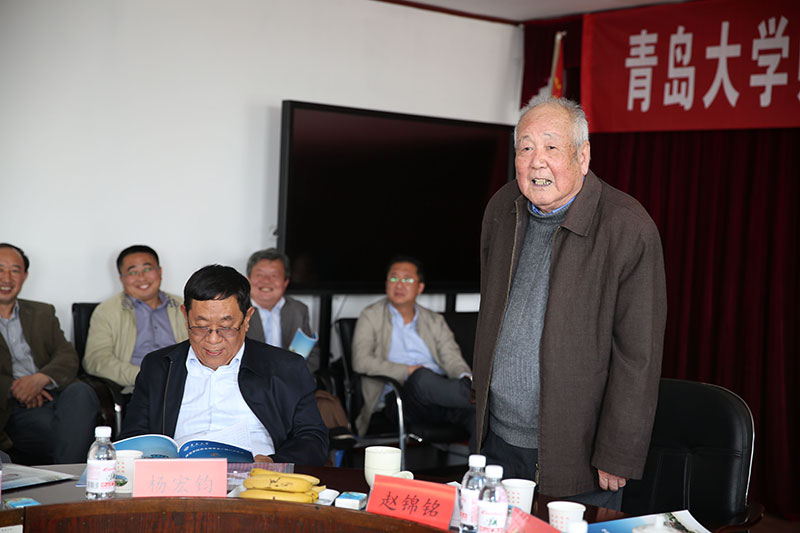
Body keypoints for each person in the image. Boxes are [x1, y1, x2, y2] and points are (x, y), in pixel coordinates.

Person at [473, 95, 667, 510]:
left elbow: (639, 354)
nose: (536, 162)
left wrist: (618, 450)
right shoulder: (502, 209)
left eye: (551, 146)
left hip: (578, 455)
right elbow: (491, 312)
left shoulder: (627, 227)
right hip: (498, 442)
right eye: (525, 148)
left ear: (583, 156)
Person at [119, 264, 328, 465]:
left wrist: (272, 461)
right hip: (180, 479)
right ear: (185, 315)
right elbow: (133, 437)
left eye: (226, 327)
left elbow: (313, 439)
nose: (213, 339)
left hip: (257, 479)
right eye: (201, 327)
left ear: (247, 318)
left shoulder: (285, 367)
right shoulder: (159, 367)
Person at [352, 256, 474, 444]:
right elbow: (361, 361)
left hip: (441, 395)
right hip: (401, 400)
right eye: (394, 278)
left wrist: (466, 377)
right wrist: (408, 371)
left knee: (479, 418)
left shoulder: (434, 320)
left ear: (420, 287)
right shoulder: (371, 316)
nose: (399, 285)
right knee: (421, 377)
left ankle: (472, 396)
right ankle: (478, 395)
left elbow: (452, 358)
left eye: (407, 279)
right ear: (386, 283)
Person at [0, 243, 99, 464]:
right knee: (67, 431)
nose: (6, 278)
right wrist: (16, 388)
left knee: (82, 392)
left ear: (24, 276)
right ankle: (73, 477)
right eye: (0, 269)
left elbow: (67, 355)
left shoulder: (42, 312)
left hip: (54, 393)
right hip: (11, 407)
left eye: (14, 270)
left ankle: (67, 476)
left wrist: (39, 380)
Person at [83, 245, 188, 396]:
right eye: (132, 272)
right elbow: (96, 360)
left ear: (160, 272)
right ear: (122, 279)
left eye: (147, 269)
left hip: (185, 384)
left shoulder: (184, 306)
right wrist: (144, 375)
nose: (142, 277)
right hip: (137, 388)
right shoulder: (107, 311)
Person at [245, 248, 319, 374]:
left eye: (274, 275)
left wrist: (291, 376)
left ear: (285, 282)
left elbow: (312, 355)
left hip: (291, 378)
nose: (266, 280)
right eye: (260, 275)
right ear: (248, 279)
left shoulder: (298, 310)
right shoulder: (238, 310)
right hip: (250, 380)